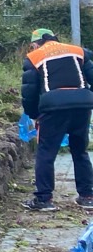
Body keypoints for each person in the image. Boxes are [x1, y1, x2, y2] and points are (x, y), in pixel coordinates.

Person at [21, 27, 93, 212]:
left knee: (46, 152)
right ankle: (87, 196)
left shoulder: (34, 57)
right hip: (82, 106)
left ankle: (44, 199)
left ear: (35, 43)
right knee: (80, 151)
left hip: (53, 109)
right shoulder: (77, 51)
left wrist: (33, 115)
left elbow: (29, 93)